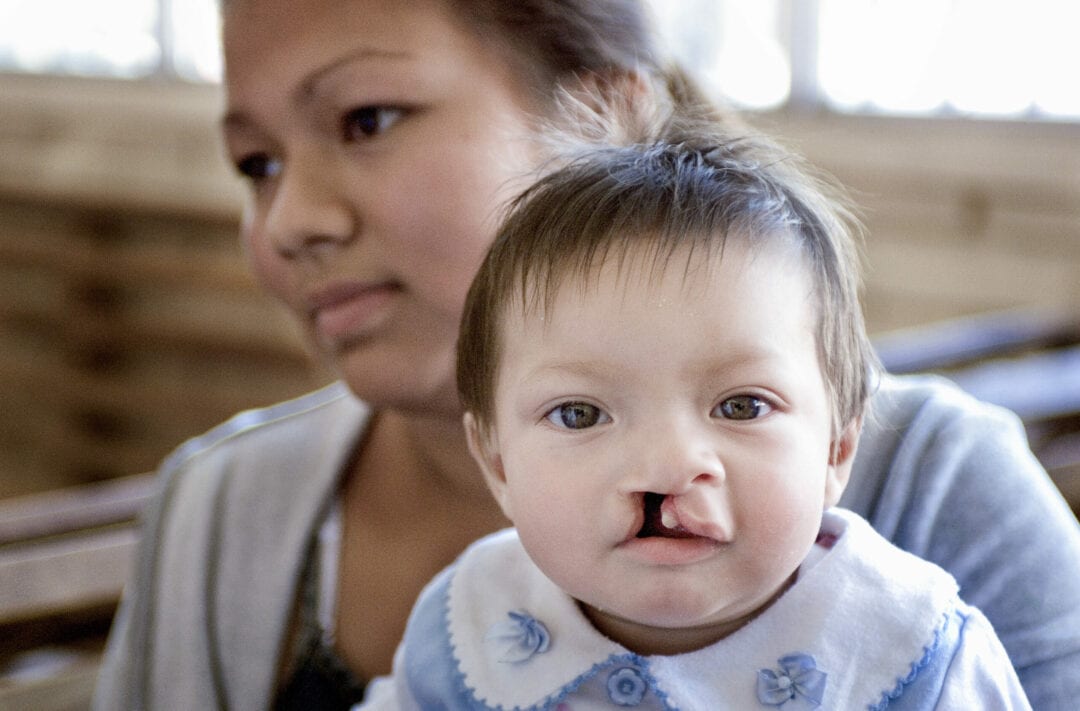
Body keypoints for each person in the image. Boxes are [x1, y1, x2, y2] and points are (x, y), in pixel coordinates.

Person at [92, 1, 1080, 709]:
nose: (287, 223)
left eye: (368, 119)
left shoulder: (936, 509)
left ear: (603, 118)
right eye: (255, 164)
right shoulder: (218, 509)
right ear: (496, 457)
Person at [357, 123, 1032, 709]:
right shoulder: (470, 626)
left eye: (741, 406)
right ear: (497, 461)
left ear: (836, 448)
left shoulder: (913, 655)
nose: (667, 465)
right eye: (580, 413)